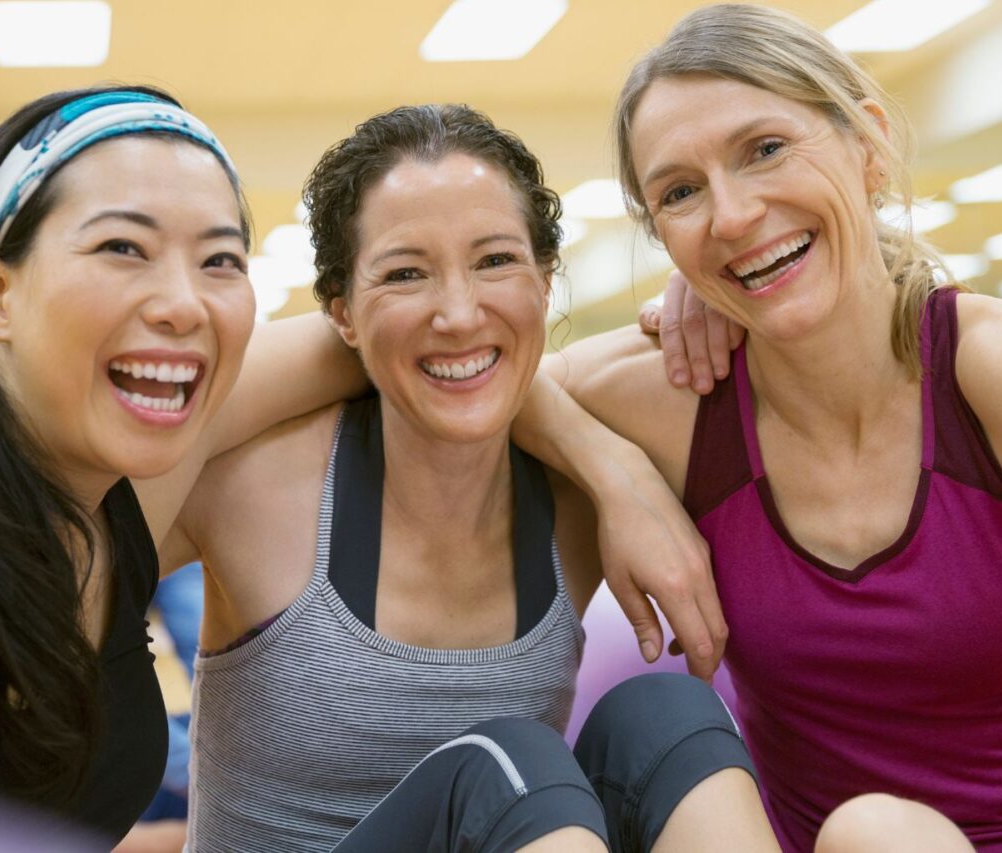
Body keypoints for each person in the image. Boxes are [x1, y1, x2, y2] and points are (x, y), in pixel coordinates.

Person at [0, 85, 729, 850]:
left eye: (218, 259)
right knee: (509, 763)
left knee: (660, 715)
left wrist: (618, 463)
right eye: (121, 247)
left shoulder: (118, 488)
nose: (179, 301)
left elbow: (451, 348)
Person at [162, 103, 778, 853]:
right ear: (340, 316)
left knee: (668, 717)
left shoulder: (578, 498)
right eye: (404, 273)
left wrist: (707, 293)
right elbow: (82, 480)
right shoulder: (252, 486)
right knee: (506, 768)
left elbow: (837, 345)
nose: (458, 312)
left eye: (495, 261)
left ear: (546, 282)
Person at [549, 4, 1002, 851]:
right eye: (681, 192)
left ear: (869, 146)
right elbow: (473, 366)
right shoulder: (679, 396)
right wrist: (609, 470)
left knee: (873, 831)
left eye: (764, 150)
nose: (730, 216)